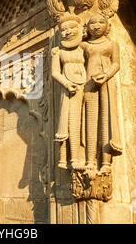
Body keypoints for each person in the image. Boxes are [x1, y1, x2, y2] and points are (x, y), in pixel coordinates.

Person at [81, 14, 122, 175]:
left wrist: (106, 74)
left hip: (106, 83)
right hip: (89, 84)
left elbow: (116, 63)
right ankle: (90, 160)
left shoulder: (112, 44)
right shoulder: (84, 46)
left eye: (101, 22)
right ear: (87, 27)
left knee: (106, 120)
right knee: (90, 121)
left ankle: (106, 162)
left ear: (107, 26)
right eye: (92, 23)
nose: (96, 26)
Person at [52, 14, 86, 171]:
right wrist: (67, 84)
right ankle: (71, 159)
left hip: (83, 86)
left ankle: (80, 156)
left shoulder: (83, 48)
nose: (67, 32)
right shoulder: (58, 51)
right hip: (68, 89)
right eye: (63, 30)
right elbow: (55, 73)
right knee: (68, 121)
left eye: (71, 28)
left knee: (79, 121)